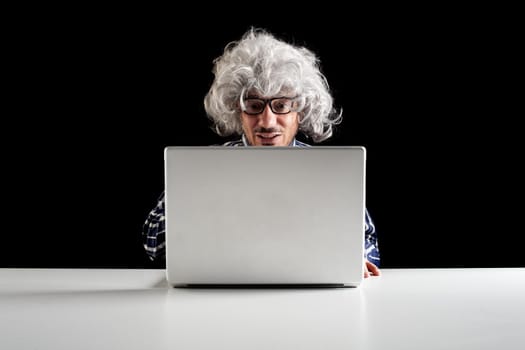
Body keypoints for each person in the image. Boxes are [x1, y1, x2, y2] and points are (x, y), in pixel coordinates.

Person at [142, 27, 381, 278]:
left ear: (300, 110)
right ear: (237, 111)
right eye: (254, 106)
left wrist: (358, 258)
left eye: (281, 105)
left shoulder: (328, 170)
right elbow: (152, 247)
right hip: (218, 292)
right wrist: (192, 196)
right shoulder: (203, 167)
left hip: (310, 296)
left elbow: (368, 240)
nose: (267, 121)